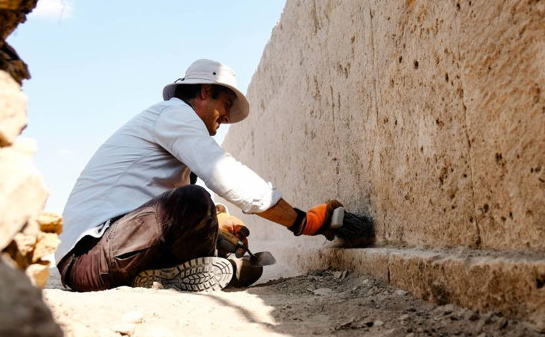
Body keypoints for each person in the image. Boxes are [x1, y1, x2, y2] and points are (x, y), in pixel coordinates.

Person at [56, 59, 342, 292]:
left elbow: (153, 204)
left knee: (203, 211)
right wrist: (301, 221)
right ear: (205, 92)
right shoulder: (174, 115)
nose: (228, 117)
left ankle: (166, 276)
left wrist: (216, 224)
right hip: (87, 260)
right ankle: (206, 265)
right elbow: (225, 175)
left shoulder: (173, 130)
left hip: (105, 256)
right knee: (194, 200)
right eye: (227, 104)